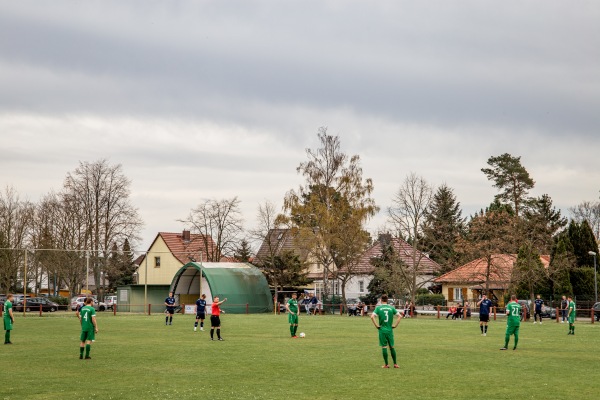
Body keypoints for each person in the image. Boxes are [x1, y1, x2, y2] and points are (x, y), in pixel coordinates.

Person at [370, 294, 402, 368]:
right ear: (387, 300)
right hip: (390, 330)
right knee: (392, 347)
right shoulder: (391, 308)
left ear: (381, 300)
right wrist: (395, 325)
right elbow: (400, 316)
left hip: (382, 330)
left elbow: (372, 317)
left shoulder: (378, 308)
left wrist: (376, 325)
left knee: (384, 347)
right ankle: (395, 364)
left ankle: (386, 364)